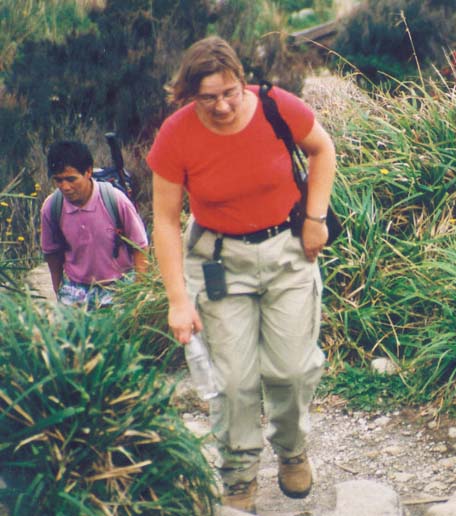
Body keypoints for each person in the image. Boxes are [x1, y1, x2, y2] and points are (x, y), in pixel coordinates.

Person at [146, 36, 335, 511]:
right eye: (208, 98)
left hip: (287, 254)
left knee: (291, 371)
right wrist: (177, 300)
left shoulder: (275, 106)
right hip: (219, 261)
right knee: (233, 381)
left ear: (241, 79)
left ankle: (292, 450)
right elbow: (166, 221)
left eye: (230, 92)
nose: (223, 105)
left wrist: (315, 218)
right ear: (189, 94)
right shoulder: (176, 134)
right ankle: (239, 474)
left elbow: (322, 149)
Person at [40, 140, 148, 310]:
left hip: (119, 284)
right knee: (71, 335)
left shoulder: (114, 200)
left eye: (71, 179)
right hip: (75, 287)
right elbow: (52, 253)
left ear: (88, 171)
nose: (65, 187)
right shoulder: (52, 207)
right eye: (58, 180)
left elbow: (140, 246)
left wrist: (138, 291)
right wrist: (58, 289)